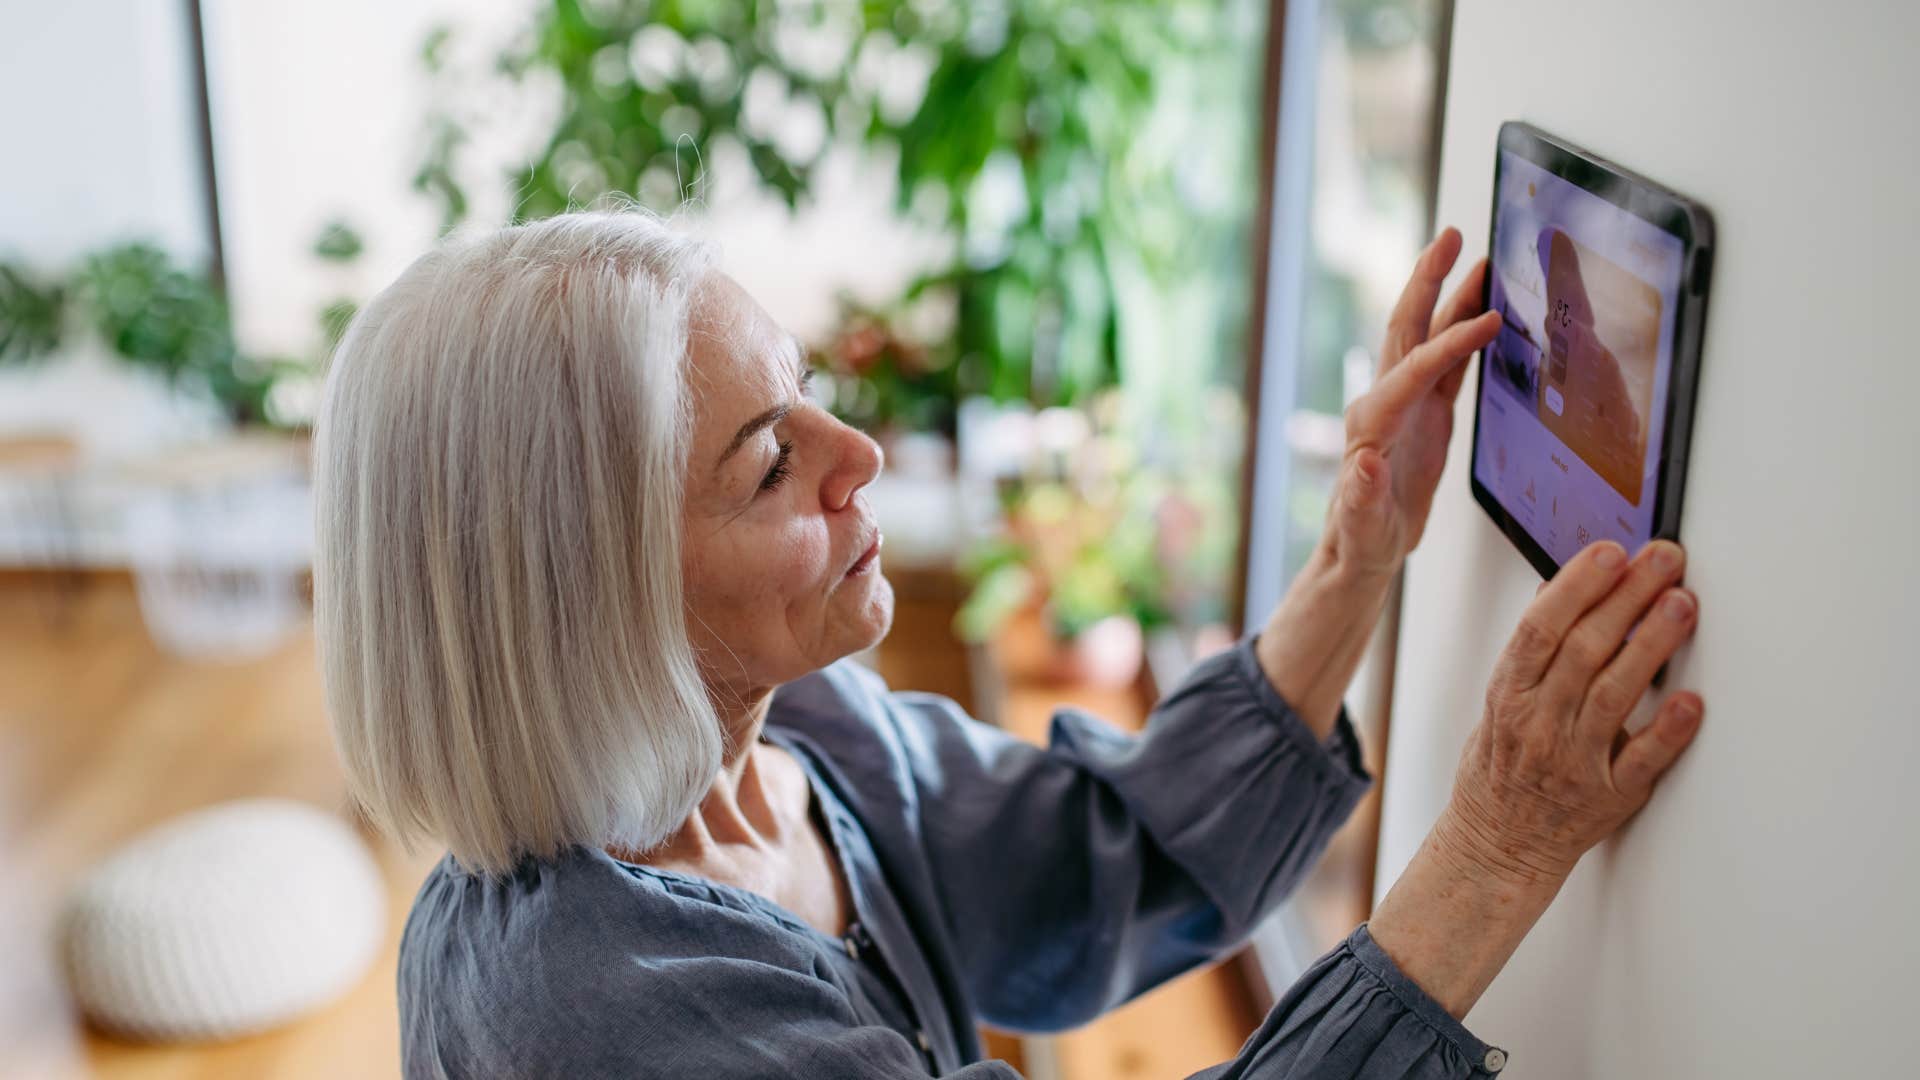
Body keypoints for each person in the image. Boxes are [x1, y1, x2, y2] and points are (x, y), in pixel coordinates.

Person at [312, 211, 1704, 1079]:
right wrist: (1499, 848)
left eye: (810, 398)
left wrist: (1358, 558)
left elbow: (1102, 860)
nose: (861, 454)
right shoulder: (597, 1017)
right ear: (592, 601)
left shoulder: (809, 736)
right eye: (767, 466)